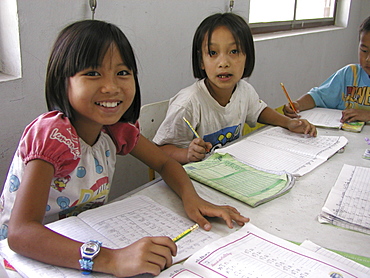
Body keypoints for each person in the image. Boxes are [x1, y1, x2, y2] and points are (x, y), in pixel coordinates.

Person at [0, 20, 249, 277]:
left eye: (122, 73)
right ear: (63, 81)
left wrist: (192, 199)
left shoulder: (115, 129)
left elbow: (165, 163)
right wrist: (113, 260)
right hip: (25, 261)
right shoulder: (52, 136)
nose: (111, 87)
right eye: (93, 73)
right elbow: (21, 233)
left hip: (85, 241)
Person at [153, 13, 317, 165]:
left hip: (228, 172)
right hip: (191, 179)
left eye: (234, 51)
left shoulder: (244, 90)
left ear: (247, 56)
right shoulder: (188, 104)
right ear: (201, 61)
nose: (223, 62)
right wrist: (186, 155)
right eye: (212, 53)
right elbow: (159, 150)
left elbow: (259, 111)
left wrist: (289, 122)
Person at [283, 16, 370, 123]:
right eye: (364, 50)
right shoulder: (350, 74)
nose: (368, 59)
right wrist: (297, 104)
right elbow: (318, 96)